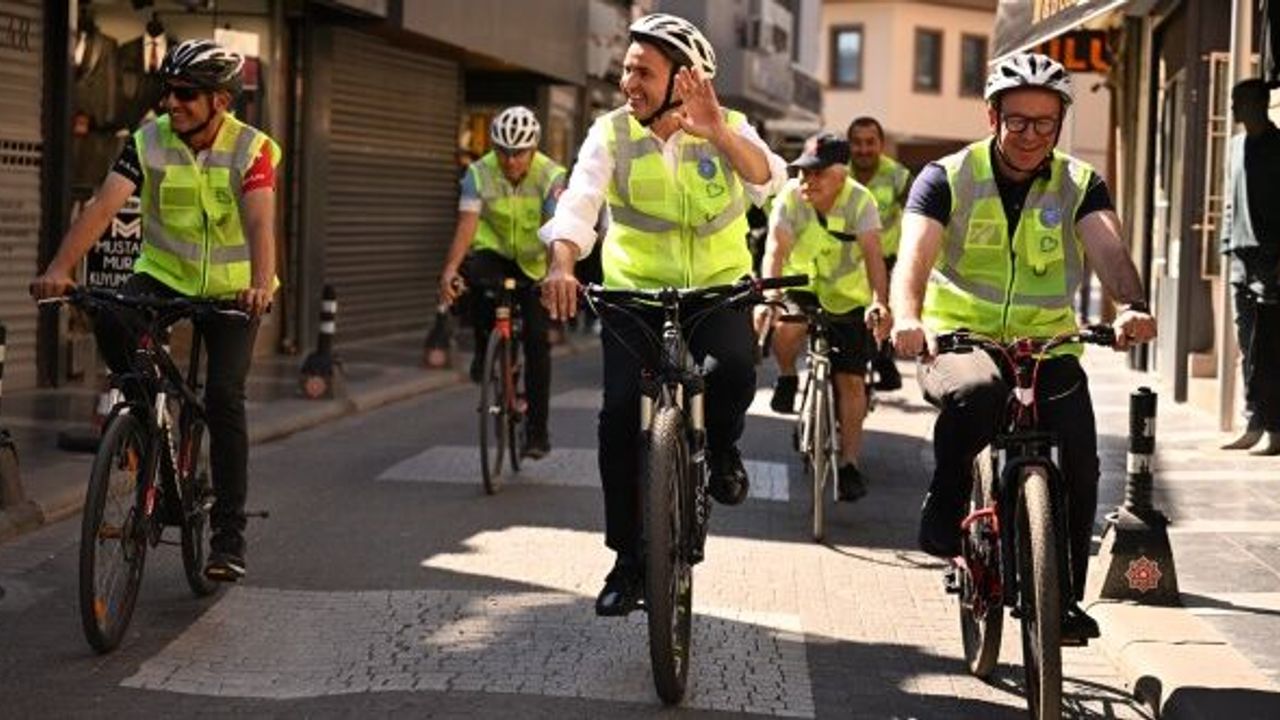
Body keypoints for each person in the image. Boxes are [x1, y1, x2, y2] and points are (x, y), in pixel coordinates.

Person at [890, 52, 1157, 642]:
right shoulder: (947, 177)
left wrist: (1131, 305)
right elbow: (914, 257)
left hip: (1048, 347)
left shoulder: (1079, 183)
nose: (1032, 135)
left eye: (1045, 122)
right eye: (1018, 121)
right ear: (992, 117)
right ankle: (947, 502)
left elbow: (1109, 251)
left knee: (1082, 464)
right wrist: (908, 317)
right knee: (979, 394)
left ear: (1059, 123)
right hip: (962, 339)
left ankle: (1062, 601)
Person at [539, 13, 788, 616]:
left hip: (715, 289)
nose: (629, 82)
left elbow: (769, 180)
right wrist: (562, 264)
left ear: (684, 78)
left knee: (734, 368)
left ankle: (722, 447)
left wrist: (718, 133)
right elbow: (579, 205)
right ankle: (629, 559)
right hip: (635, 296)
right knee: (619, 416)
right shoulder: (610, 133)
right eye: (626, 69)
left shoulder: (729, 126)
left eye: (643, 72)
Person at [31, 39, 280, 582]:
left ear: (220, 101)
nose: (172, 102)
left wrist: (260, 285)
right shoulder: (147, 140)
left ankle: (227, 537)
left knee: (223, 398)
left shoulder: (251, 149)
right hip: (163, 276)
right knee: (110, 313)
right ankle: (144, 419)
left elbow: (261, 222)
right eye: (168, 91)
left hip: (233, 290)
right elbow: (103, 207)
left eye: (186, 93)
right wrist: (59, 268)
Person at [758, 132, 891, 501]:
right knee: (786, 328)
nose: (807, 180)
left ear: (841, 174)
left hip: (848, 297)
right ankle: (787, 377)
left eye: (818, 173)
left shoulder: (860, 201)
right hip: (800, 285)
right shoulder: (790, 197)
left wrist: (880, 302)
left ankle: (849, 464)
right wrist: (770, 297)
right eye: (803, 172)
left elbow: (874, 257)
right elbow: (775, 250)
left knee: (851, 381)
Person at [438, 106, 567, 459]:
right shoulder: (477, 173)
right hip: (493, 251)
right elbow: (467, 224)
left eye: (519, 153)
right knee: (473, 281)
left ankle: (537, 433)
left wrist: (555, 273)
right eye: (503, 152)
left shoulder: (551, 175)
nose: (510, 160)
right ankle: (485, 350)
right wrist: (449, 269)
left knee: (538, 341)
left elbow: (555, 230)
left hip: (534, 261)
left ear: (534, 148)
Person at [1220, 79, 1280, 455]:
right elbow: (1229, 201)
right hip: (1240, 261)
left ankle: (1275, 426)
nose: (1232, 108)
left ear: (1260, 103)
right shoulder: (1234, 146)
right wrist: (1226, 246)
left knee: (1269, 347)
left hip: (1271, 261)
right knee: (1246, 346)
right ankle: (1253, 421)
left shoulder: (1278, 147)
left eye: (1238, 101)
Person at [847, 116, 912, 391]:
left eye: (870, 142)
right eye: (857, 143)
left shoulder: (899, 175)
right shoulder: (838, 172)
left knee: (883, 306)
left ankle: (884, 358)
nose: (863, 149)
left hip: (887, 257)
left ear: (881, 144)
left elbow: (916, 218)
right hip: (845, 259)